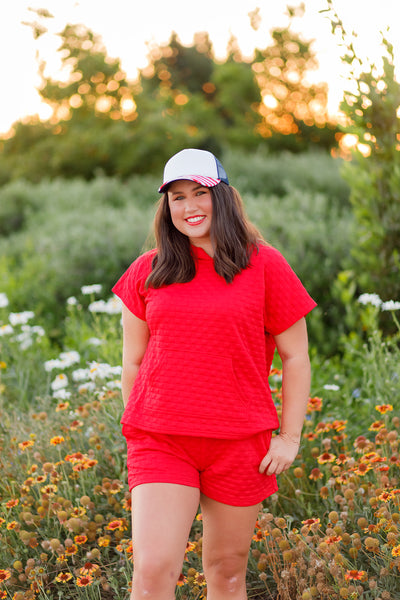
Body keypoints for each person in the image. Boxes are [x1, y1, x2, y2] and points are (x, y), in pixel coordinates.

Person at [112, 148, 317, 600]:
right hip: (163, 440)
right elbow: (131, 361)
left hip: (240, 442)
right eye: (177, 197)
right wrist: (140, 424)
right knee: (152, 571)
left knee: (226, 574)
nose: (189, 207)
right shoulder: (148, 271)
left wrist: (290, 437)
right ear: (166, 207)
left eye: (200, 193)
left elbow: (296, 357)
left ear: (222, 196)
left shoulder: (264, 264)